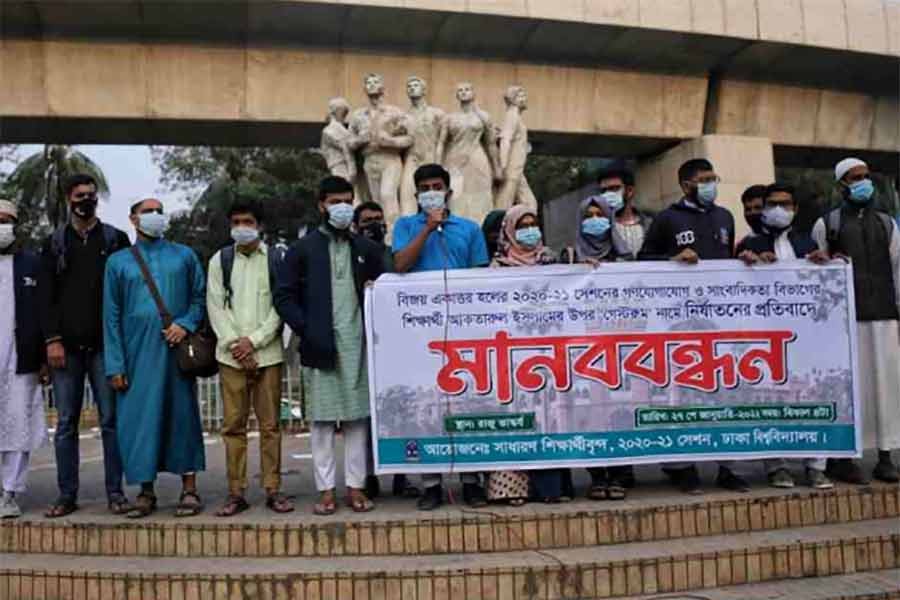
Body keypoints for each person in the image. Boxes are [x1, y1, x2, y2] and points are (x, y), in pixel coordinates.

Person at [275, 176, 385, 515]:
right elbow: (284, 295)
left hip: (358, 346)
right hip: (319, 345)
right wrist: (307, 329)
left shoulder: (366, 249)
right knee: (321, 423)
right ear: (321, 205)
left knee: (356, 421)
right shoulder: (302, 249)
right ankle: (325, 491)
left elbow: (386, 287)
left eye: (347, 200)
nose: (342, 207)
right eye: (335, 201)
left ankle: (355, 488)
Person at [639, 158, 749, 494]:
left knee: (724, 391)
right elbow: (643, 259)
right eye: (704, 179)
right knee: (683, 395)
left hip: (719, 320)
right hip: (681, 322)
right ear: (687, 184)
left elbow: (728, 261)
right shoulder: (667, 219)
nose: (711, 184)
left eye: (713, 178)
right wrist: (671, 261)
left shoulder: (725, 217)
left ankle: (728, 467)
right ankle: (683, 466)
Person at [392, 163, 490, 510]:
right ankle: (430, 483)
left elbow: (482, 278)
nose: (431, 192)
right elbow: (400, 264)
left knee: (467, 404)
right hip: (421, 332)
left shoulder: (469, 229)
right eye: (424, 188)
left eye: (437, 186)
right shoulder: (405, 226)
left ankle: (471, 480)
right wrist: (427, 230)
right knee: (426, 407)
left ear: (448, 191)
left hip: (464, 332)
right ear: (417, 195)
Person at [103, 198, 207, 518]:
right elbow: (111, 315)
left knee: (183, 417)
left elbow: (200, 298)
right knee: (139, 422)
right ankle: (146, 492)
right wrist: (116, 364)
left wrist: (185, 324)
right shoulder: (118, 262)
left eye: (159, 210)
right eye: (147, 212)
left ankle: (189, 489)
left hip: (176, 353)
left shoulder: (184, 256)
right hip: (136, 356)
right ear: (133, 220)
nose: (155, 216)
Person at [39, 174, 132, 518]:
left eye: (91, 195)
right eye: (80, 195)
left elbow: (126, 293)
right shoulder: (53, 243)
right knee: (66, 424)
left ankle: (115, 493)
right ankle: (67, 495)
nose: (86, 201)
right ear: (69, 199)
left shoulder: (116, 240)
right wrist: (52, 340)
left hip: (106, 347)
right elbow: (45, 298)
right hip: (66, 349)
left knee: (111, 421)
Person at [737, 183, 833, 490]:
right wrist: (745, 261)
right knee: (770, 397)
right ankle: (776, 466)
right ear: (763, 208)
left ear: (795, 208)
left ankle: (816, 465)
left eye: (786, 204)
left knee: (814, 396)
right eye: (773, 203)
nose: (780, 209)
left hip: (805, 337)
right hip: (767, 339)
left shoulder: (806, 243)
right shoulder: (747, 244)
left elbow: (827, 285)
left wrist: (824, 264)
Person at [812, 158, 900, 484]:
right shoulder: (827, 224)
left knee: (886, 387)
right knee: (853, 390)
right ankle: (848, 458)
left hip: (885, 318)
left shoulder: (887, 224)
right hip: (847, 323)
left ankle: (887, 456)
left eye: (866, 177)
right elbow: (816, 271)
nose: (863, 183)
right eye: (854, 178)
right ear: (841, 185)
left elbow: (898, 271)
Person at [207, 202, 293, 516]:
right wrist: (236, 345)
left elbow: (280, 306)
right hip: (231, 357)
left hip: (267, 355)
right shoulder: (220, 260)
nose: (241, 226)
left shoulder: (275, 258)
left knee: (271, 425)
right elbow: (215, 306)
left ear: (259, 225)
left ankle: (273, 489)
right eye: (236, 221)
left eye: (248, 221)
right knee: (233, 426)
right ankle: (236, 492)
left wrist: (253, 342)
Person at [487, 205, 562, 506]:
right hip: (512, 357)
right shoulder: (497, 267)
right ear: (509, 231)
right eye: (522, 226)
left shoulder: (554, 262)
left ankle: (551, 488)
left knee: (549, 418)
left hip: (549, 355)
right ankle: (510, 488)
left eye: (533, 224)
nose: (530, 231)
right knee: (514, 420)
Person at [351, 201, 421, 500]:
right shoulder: (350, 254)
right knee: (365, 415)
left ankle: (401, 475)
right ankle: (367, 476)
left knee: (398, 407)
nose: (374, 225)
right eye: (367, 221)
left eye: (378, 220)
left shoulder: (391, 253)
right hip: (360, 341)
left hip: (393, 342)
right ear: (356, 225)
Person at [0, 200, 48, 519]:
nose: (2, 226)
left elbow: (46, 312)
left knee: (19, 424)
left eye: (7, 220)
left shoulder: (32, 263)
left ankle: (10, 492)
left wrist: (44, 356)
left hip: (22, 359)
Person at [597, 164, 653, 260]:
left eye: (614, 188)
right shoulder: (599, 228)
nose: (607, 195)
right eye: (603, 191)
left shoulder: (651, 224)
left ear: (630, 191)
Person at [561, 195, 616, 265]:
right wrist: (581, 262)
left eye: (599, 215)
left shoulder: (620, 255)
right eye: (588, 216)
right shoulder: (570, 256)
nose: (595, 219)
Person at [735, 184, 767, 254]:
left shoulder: (788, 240)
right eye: (748, 209)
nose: (752, 212)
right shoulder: (743, 246)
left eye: (757, 208)